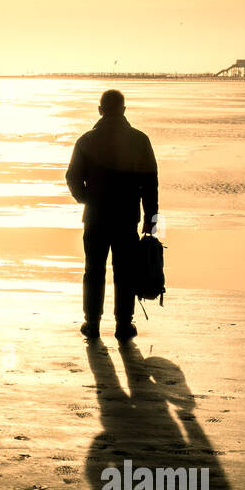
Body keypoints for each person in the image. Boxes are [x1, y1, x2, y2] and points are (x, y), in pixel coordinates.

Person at [65, 89, 158, 342]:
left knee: (93, 270)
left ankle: (92, 323)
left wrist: (86, 198)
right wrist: (152, 220)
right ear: (124, 111)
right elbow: (150, 183)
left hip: (95, 217)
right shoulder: (140, 140)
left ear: (100, 110)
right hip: (127, 217)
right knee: (125, 271)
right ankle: (123, 325)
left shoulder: (86, 140)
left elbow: (72, 177)